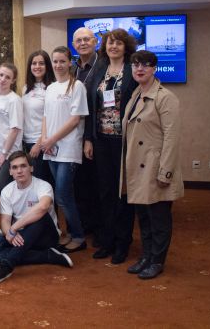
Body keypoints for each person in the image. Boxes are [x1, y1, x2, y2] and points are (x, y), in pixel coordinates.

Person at [122, 51, 183, 279]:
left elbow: (172, 138)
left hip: (155, 167)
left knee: (159, 218)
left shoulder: (165, 97)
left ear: (154, 68)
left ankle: (157, 260)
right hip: (137, 167)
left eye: (146, 65)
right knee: (144, 217)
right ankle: (146, 256)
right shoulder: (136, 94)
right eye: (136, 64)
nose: (140, 69)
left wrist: (165, 172)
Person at [84, 29, 138, 264]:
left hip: (125, 141)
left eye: (118, 43)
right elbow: (91, 107)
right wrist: (88, 138)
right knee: (104, 191)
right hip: (101, 140)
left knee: (122, 193)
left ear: (126, 47)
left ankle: (122, 242)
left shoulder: (132, 71)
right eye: (109, 43)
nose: (113, 46)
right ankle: (107, 240)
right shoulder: (100, 70)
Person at [0, 151, 73, 284]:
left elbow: (43, 207)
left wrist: (14, 227)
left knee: (40, 214)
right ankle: (48, 256)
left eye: (23, 166)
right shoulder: (7, 191)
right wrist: (10, 232)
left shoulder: (43, 186)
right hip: (20, 236)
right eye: (15, 167)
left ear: (31, 168)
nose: (19, 171)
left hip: (45, 236)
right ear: (10, 172)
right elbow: (5, 221)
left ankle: (7, 265)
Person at [41, 46, 89, 252]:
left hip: (68, 148)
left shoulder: (77, 86)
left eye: (62, 61)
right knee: (61, 195)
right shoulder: (50, 88)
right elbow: (45, 116)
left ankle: (79, 236)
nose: (58, 65)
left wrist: (51, 140)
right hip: (51, 149)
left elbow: (75, 120)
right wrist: (45, 141)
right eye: (55, 61)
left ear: (70, 62)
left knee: (63, 194)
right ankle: (69, 232)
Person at [71, 27, 101, 241]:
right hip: (74, 135)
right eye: (78, 40)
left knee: (96, 183)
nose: (82, 43)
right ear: (74, 45)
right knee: (79, 184)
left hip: (96, 134)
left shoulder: (103, 66)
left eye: (86, 39)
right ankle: (86, 225)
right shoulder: (72, 68)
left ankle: (100, 228)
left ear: (95, 41)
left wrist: (89, 138)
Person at [22, 50, 54, 185]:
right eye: (34, 63)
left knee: (42, 184)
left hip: (41, 144)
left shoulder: (51, 88)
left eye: (41, 63)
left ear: (47, 66)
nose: (37, 66)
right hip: (26, 143)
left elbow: (51, 120)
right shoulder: (25, 88)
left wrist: (39, 144)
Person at [0, 62, 24, 193]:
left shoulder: (14, 100)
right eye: (1, 75)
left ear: (13, 80)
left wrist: (4, 154)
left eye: (7, 77)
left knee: (2, 187)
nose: (3, 79)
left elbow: (15, 129)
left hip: (9, 154)